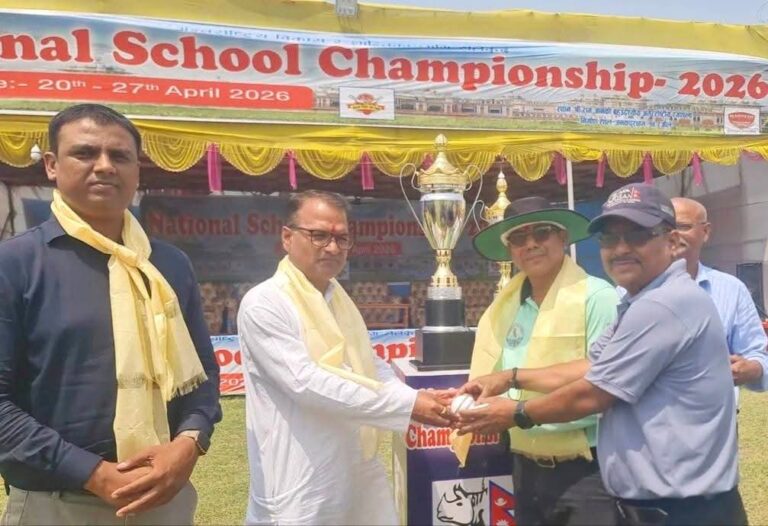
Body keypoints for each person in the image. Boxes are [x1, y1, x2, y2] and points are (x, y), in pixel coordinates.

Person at [457, 183, 745, 526]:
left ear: (672, 242)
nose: (621, 248)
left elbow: (595, 392)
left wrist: (516, 413)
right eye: (609, 238)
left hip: (683, 510)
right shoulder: (637, 302)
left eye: (637, 235)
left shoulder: (662, 305)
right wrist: (510, 377)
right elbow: (593, 366)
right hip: (652, 504)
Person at [0, 104, 222, 525]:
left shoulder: (168, 265)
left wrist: (189, 442)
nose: (104, 166)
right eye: (85, 153)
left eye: (120, 156)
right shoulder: (15, 264)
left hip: (164, 499)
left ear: (137, 170)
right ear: (52, 165)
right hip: (58, 504)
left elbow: (203, 375)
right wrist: (92, 473)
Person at [237, 190, 454, 525]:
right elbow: (306, 383)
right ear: (287, 237)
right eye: (319, 235)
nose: (333, 247)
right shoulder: (265, 303)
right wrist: (408, 406)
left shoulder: (338, 299)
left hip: (356, 467)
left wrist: (415, 397)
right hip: (301, 475)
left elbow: (368, 365)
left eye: (342, 238)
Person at [452, 196, 620, 526]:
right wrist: (468, 402)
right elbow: (494, 378)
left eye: (541, 232)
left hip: (587, 470)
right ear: (510, 250)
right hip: (524, 467)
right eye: (518, 237)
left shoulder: (598, 297)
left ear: (563, 238)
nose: (530, 244)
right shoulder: (505, 307)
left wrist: (513, 385)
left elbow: (605, 379)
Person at [671, 197, 768, 391]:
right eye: (664, 227)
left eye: (682, 226)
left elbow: (757, 353)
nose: (672, 234)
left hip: (716, 409)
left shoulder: (731, 289)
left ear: (705, 232)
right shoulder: (631, 290)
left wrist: (752, 368)